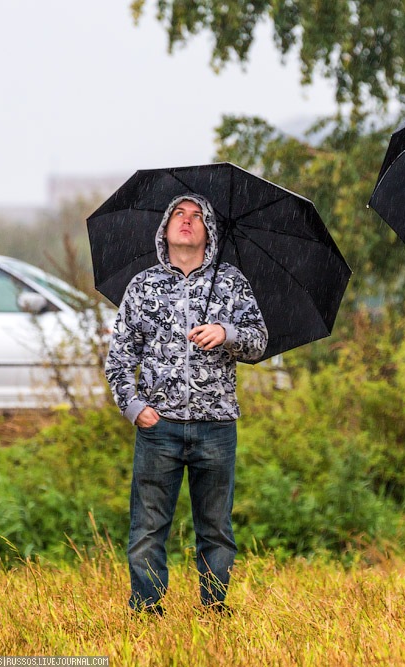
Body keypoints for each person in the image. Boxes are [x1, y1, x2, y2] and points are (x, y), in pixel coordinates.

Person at [105, 194, 267, 615]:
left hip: (216, 425)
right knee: (147, 529)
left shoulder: (231, 282)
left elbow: (259, 342)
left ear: (209, 232)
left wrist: (226, 332)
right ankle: (146, 611)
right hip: (158, 427)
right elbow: (119, 359)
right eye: (179, 214)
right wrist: (134, 407)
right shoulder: (142, 286)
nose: (187, 221)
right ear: (165, 226)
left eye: (197, 217)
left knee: (215, 530)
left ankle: (215, 611)